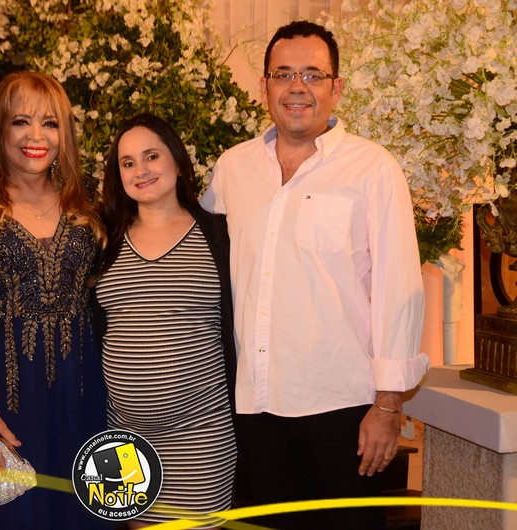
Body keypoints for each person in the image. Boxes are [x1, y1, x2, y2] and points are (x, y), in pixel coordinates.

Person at [200, 20, 430, 530]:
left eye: (312, 74)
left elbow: (398, 290)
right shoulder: (232, 169)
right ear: (264, 87)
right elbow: (197, 259)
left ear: (336, 87)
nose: (297, 87)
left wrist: (387, 407)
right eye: (283, 74)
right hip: (255, 409)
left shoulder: (373, 169)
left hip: (344, 411)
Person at [0, 71, 109, 529]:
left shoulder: (89, 205)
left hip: (80, 398)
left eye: (50, 123)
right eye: (21, 121)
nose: (36, 136)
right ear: (0, 129)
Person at [92, 113, 237, 528]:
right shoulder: (103, 239)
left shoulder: (219, 234)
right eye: (128, 162)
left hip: (201, 434)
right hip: (124, 437)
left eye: (151, 156)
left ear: (176, 158)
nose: (141, 170)